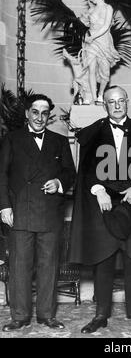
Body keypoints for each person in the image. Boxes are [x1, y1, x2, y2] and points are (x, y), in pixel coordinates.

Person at [69, 85, 131, 334]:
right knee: (104, 260)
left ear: (128, 102)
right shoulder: (91, 134)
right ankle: (101, 315)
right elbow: (86, 170)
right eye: (112, 102)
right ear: (105, 105)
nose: (118, 105)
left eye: (122, 100)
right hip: (104, 207)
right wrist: (98, 189)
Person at [0, 94, 76, 331]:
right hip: (20, 211)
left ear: (48, 116)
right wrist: (4, 206)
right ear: (27, 113)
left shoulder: (59, 141)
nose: (40, 117)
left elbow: (70, 172)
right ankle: (19, 316)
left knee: (48, 266)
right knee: (20, 266)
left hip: (49, 212)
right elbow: (1, 175)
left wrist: (58, 183)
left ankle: (46, 315)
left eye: (44, 113)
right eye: (35, 112)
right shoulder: (12, 139)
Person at [79, 0, 120, 104]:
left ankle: (101, 94)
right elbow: (84, 23)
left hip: (104, 42)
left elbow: (106, 26)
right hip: (91, 43)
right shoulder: (92, 10)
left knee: (105, 73)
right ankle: (93, 96)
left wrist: (92, 37)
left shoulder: (108, 8)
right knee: (91, 69)